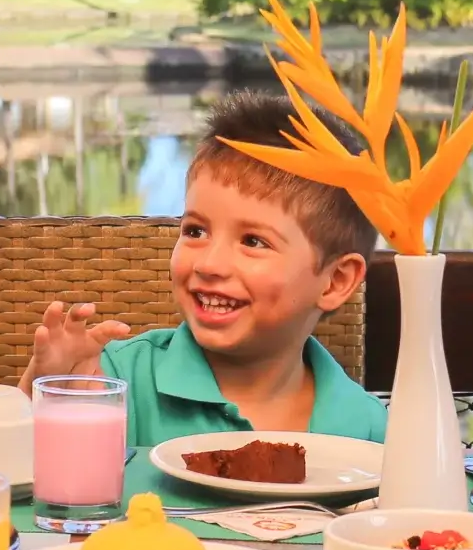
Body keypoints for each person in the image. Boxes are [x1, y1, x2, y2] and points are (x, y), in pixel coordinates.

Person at [19, 91, 382, 444]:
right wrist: (50, 396)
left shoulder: (368, 428)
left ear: (335, 281)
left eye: (253, 241)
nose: (209, 263)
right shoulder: (109, 381)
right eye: (195, 231)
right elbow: (17, 486)